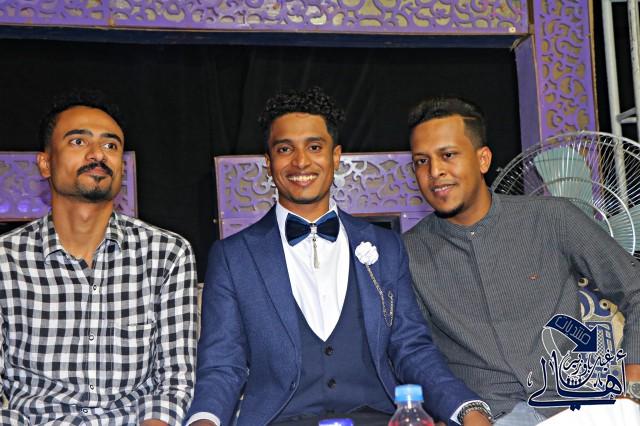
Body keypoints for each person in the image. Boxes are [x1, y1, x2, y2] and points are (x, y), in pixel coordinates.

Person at [187, 87, 493, 426]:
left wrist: (467, 409)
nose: (301, 162)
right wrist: (204, 420)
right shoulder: (233, 257)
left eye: (314, 147)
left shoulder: (386, 247)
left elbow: (412, 349)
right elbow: (222, 364)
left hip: (377, 419)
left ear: (336, 157)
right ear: (268, 163)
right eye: (285, 149)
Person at [403, 96, 640, 425]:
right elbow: (414, 353)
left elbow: (635, 288)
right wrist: (461, 410)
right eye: (421, 161)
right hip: (489, 415)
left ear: (483, 159)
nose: (435, 172)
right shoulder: (407, 254)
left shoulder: (551, 218)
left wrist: (633, 383)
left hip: (576, 407)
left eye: (448, 155)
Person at [0, 92, 198, 425]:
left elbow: (175, 381)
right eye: (78, 141)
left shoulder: (167, 254)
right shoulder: (6, 260)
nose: (97, 154)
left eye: (110, 145)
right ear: (45, 163)